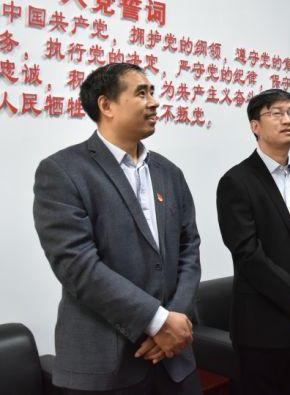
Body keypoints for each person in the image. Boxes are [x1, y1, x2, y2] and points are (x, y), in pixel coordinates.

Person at [33, 63, 202, 394]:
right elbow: (76, 264)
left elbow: (189, 248)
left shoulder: (169, 172)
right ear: (106, 105)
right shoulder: (63, 171)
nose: (154, 102)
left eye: (153, 92)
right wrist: (157, 321)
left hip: (174, 358)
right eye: (142, 93)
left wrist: (174, 320)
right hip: (105, 365)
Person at [216, 89, 290, 395]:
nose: (287, 120)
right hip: (262, 326)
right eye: (277, 113)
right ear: (255, 126)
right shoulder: (236, 181)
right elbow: (248, 254)